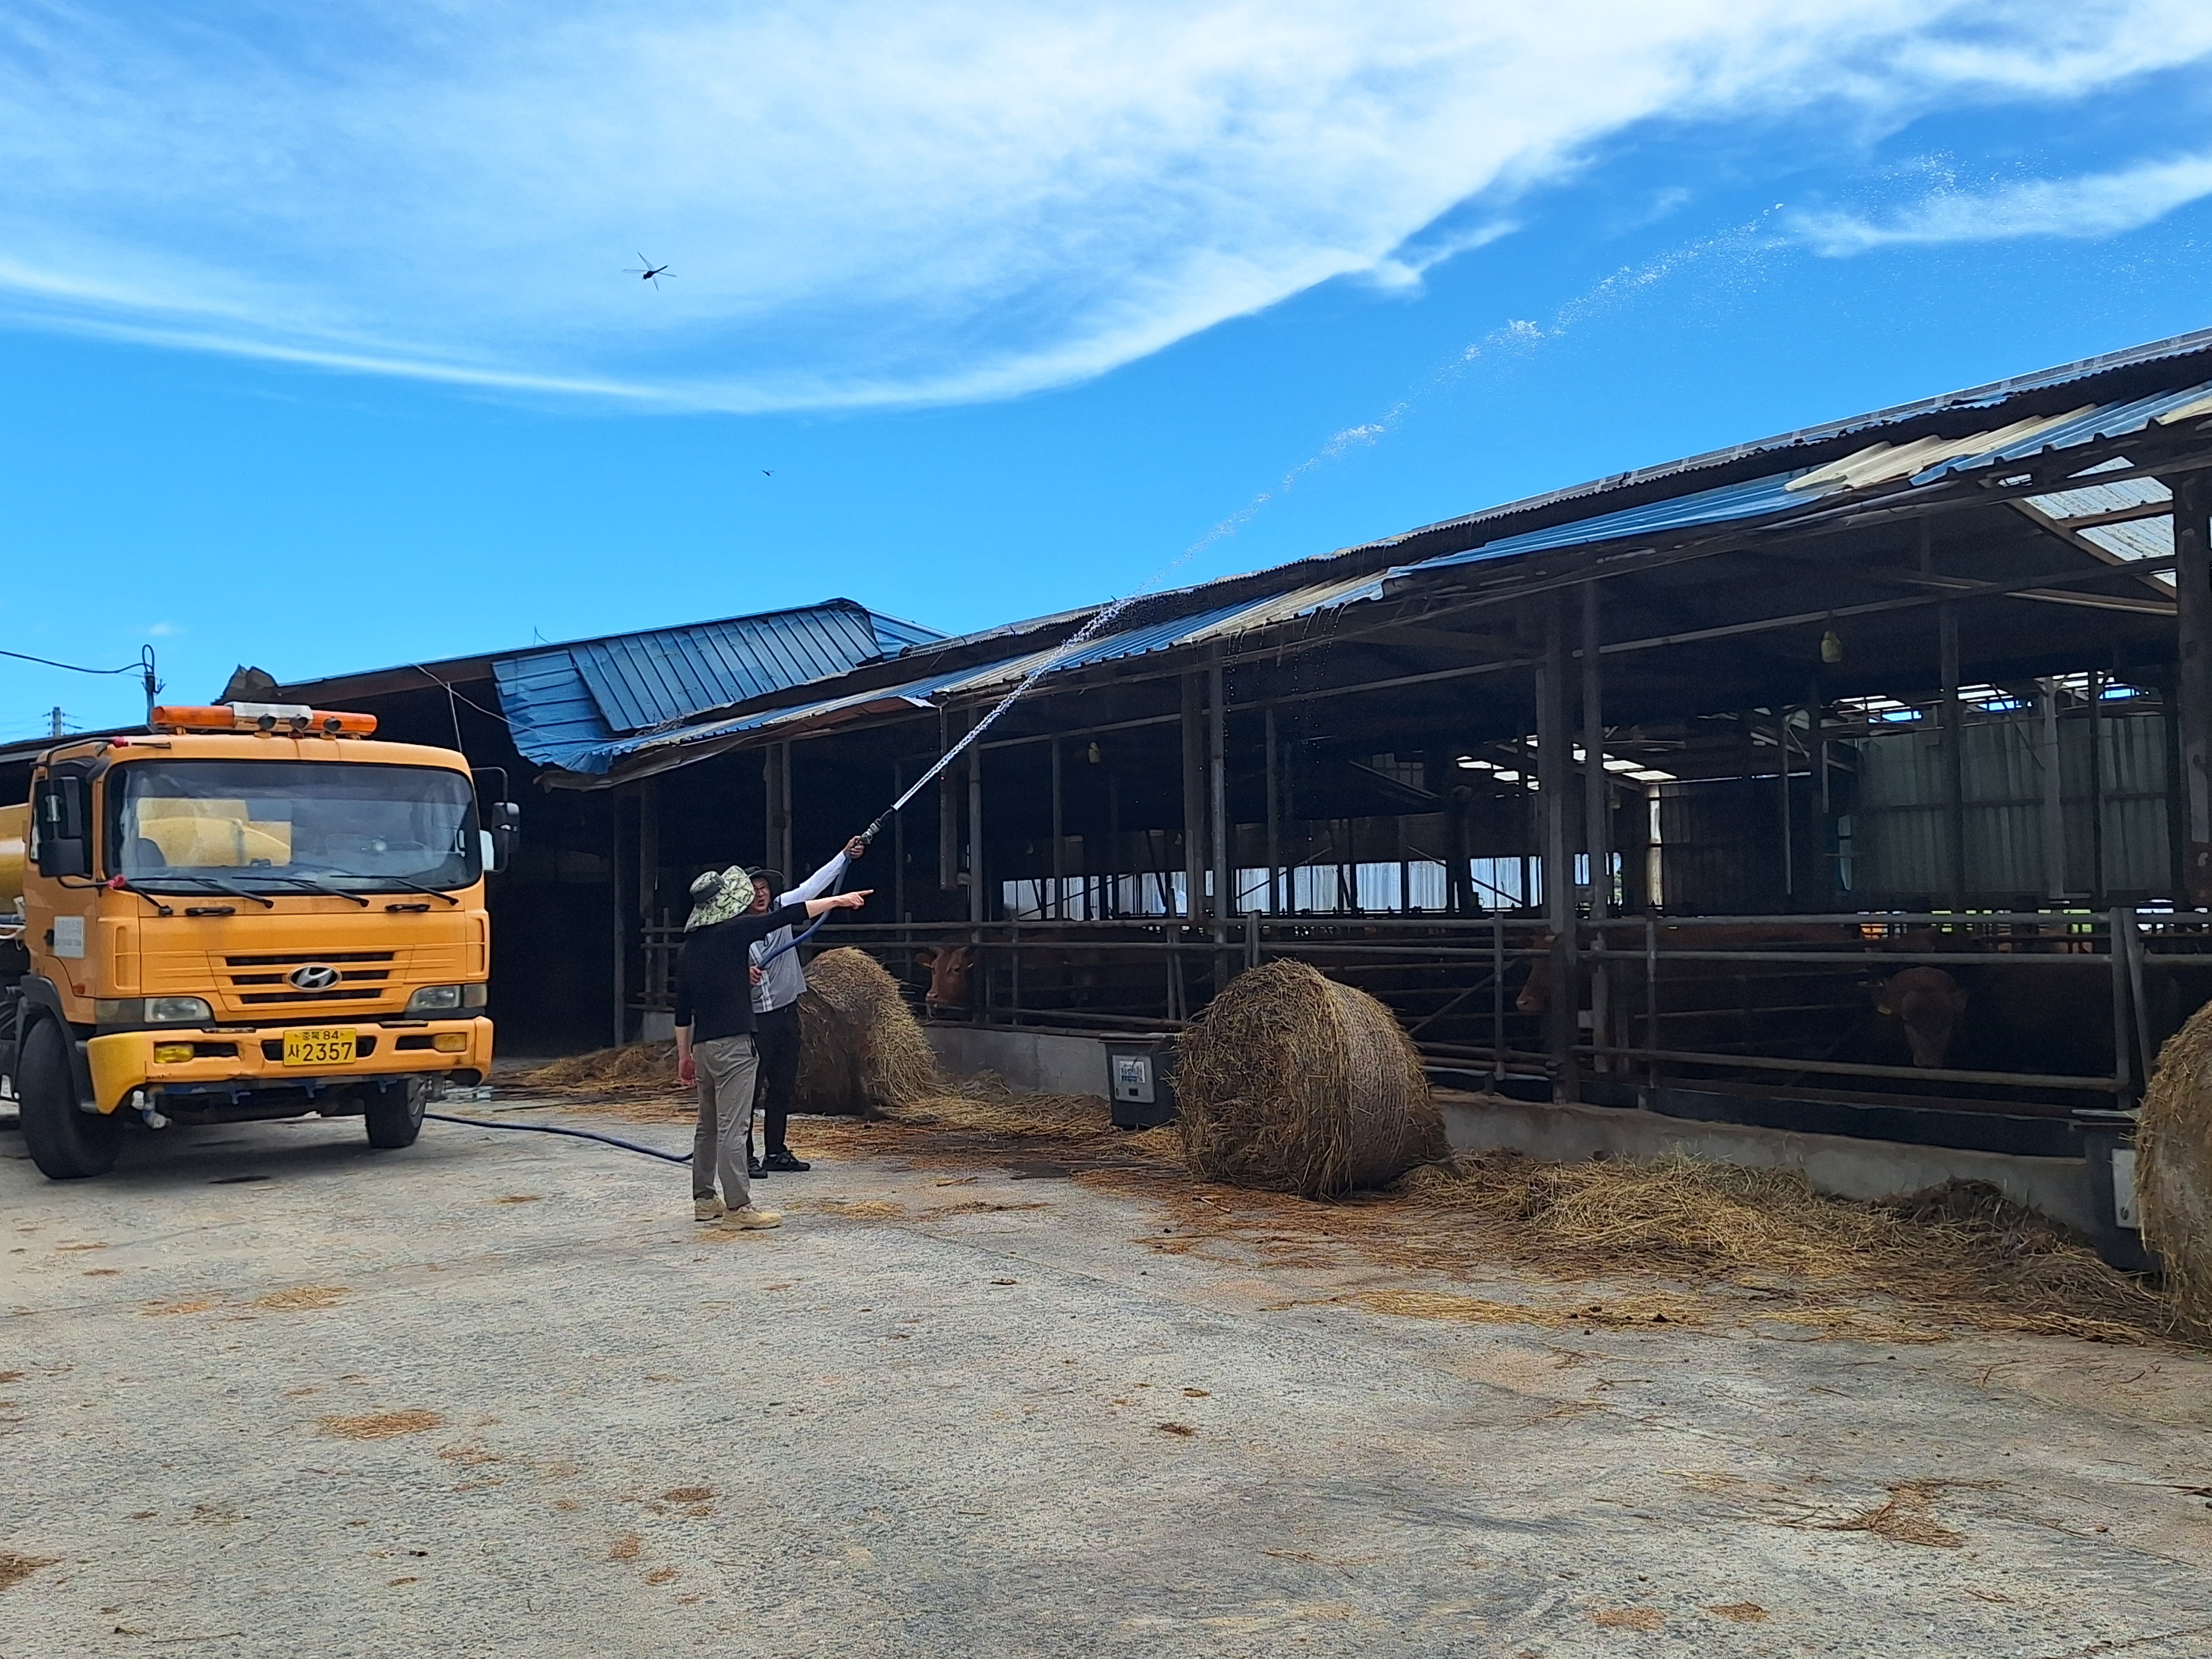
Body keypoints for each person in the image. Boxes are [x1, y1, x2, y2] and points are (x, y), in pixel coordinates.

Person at [673, 865, 870, 1229]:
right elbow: (791, 914)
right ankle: (738, 1208)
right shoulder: (733, 933)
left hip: (703, 1048)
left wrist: (684, 1056)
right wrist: (840, 900)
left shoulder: (688, 951)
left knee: (707, 1127)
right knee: (734, 1127)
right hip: (735, 1046)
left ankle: (704, 1199)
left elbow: (682, 1010)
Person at [744, 834, 869, 1174]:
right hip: (754, 1020)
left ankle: (776, 1151)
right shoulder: (735, 929)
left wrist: (844, 856)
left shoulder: (784, 908)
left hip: (786, 1013)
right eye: (753, 889)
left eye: (763, 887)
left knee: (782, 1085)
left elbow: (815, 886)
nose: (760, 893)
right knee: (749, 1090)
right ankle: (745, 1154)